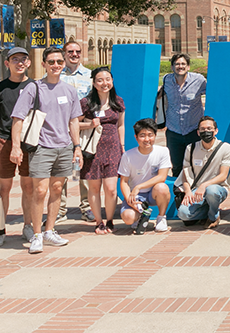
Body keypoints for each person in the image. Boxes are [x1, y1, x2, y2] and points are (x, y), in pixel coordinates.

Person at [10, 47, 83, 254]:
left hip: (64, 147)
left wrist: (77, 147)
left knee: (57, 190)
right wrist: (16, 147)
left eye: (59, 62)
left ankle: (50, 230)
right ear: (43, 64)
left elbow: (73, 121)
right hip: (42, 147)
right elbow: (17, 118)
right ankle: (36, 234)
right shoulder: (34, 88)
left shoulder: (69, 90)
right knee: (39, 191)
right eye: (51, 62)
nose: (56, 66)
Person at [0, 47, 35, 247]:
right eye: (15, 59)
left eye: (23, 59)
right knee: (3, 188)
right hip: (4, 142)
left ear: (29, 63)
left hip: (28, 142)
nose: (19, 63)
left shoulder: (35, 87)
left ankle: (28, 226)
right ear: (7, 64)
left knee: (28, 187)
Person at [79, 67, 125, 235]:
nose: (104, 83)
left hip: (112, 147)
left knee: (111, 188)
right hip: (92, 149)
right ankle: (99, 222)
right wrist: (90, 124)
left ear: (112, 82)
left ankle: (110, 219)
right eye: (100, 80)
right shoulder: (85, 103)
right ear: (94, 83)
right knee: (94, 187)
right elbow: (74, 124)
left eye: (107, 79)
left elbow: (120, 125)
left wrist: (122, 146)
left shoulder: (118, 101)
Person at [58, 39, 94, 223]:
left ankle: (87, 207)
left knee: (85, 170)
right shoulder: (57, 75)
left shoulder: (89, 76)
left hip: (84, 129)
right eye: (70, 51)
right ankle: (60, 209)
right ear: (65, 54)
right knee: (62, 170)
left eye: (77, 51)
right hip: (61, 129)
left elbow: (94, 101)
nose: (74, 54)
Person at [175, 116, 230, 229]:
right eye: (203, 129)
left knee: (212, 191)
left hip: (217, 188)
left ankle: (213, 216)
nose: (206, 131)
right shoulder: (190, 148)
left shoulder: (225, 147)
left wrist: (204, 185)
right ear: (198, 132)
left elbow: (223, 175)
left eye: (209, 128)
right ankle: (208, 208)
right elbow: (186, 175)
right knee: (183, 214)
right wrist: (187, 192)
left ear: (216, 131)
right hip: (196, 191)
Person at [118, 119, 172, 233]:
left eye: (150, 135)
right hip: (136, 195)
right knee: (128, 218)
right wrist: (129, 200)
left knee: (162, 187)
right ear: (136, 137)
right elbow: (123, 182)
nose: (147, 139)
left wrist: (139, 187)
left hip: (153, 192)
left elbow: (162, 177)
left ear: (155, 136)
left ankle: (161, 218)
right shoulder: (128, 155)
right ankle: (139, 217)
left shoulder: (163, 151)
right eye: (142, 135)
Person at [163, 53, 206, 176]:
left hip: (193, 131)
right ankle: (178, 194)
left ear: (188, 67)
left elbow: (214, 94)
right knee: (176, 166)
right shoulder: (166, 80)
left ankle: (194, 193)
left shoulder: (199, 80)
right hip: (173, 131)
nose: (180, 66)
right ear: (172, 67)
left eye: (183, 64)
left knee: (195, 165)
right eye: (177, 64)